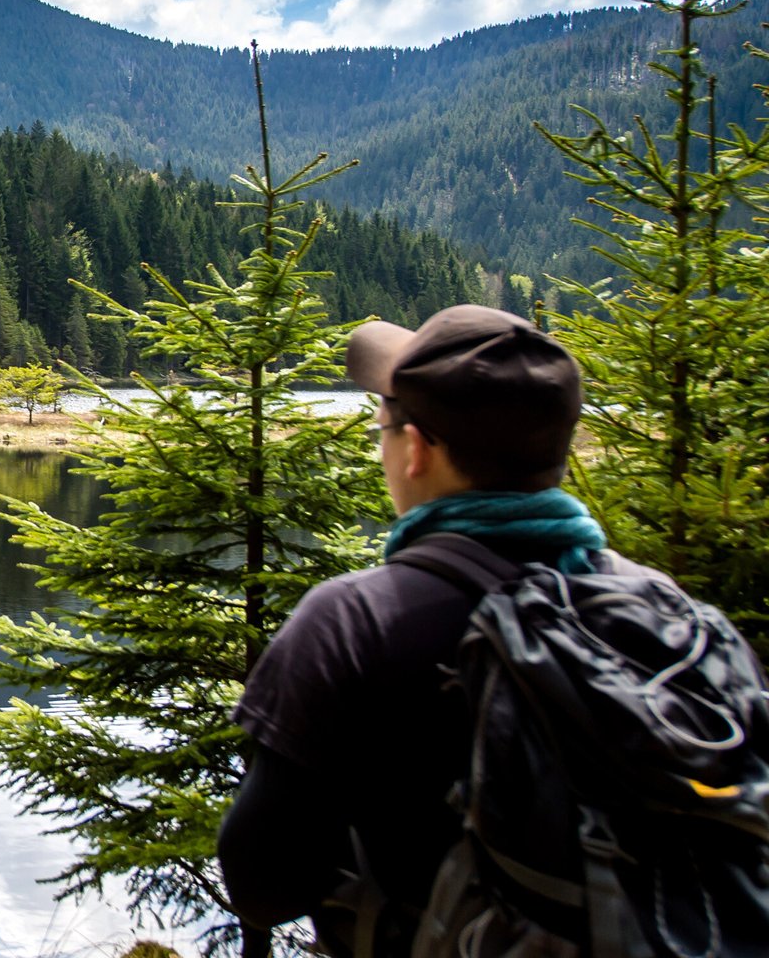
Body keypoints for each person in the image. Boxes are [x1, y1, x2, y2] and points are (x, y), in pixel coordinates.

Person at [216, 304, 602, 954]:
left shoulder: (354, 622)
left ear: (416, 449)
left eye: (384, 428)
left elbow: (261, 887)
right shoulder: (673, 617)